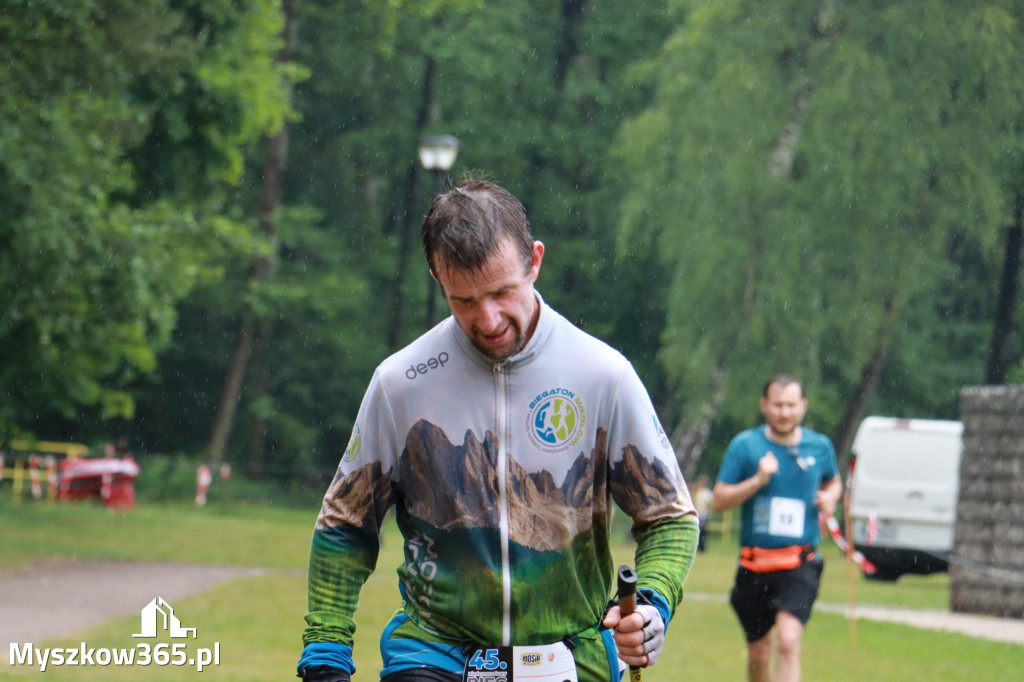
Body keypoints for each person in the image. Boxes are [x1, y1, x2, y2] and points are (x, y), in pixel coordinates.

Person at [296, 179, 699, 682]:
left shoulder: (604, 375)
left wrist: (653, 603)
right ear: (436, 277)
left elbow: (670, 517)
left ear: (535, 261)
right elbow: (345, 524)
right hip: (434, 653)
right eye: (463, 300)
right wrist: (326, 652)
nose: (487, 320)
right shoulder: (399, 383)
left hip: (574, 656)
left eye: (502, 292)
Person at [712, 375, 841, 682]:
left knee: (788, 641)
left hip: (800, 563)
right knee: (759, 653)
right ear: (765, 406)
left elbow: (833, 480)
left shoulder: (819, 446)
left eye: (791, 405)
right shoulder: (745, 446)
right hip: (755, 564)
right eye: (778, 405)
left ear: (803, 406)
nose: (785, 412)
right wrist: (757, 480)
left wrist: (831, 497)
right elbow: (719, 500)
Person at [691, 474, 714, 552]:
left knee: (702, 532)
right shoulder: (698, 492)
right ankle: (698, 547)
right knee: (699, 531)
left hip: (703, 514)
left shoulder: (706, 493)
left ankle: (702, 548)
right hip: (698, 514)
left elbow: (709, 503)